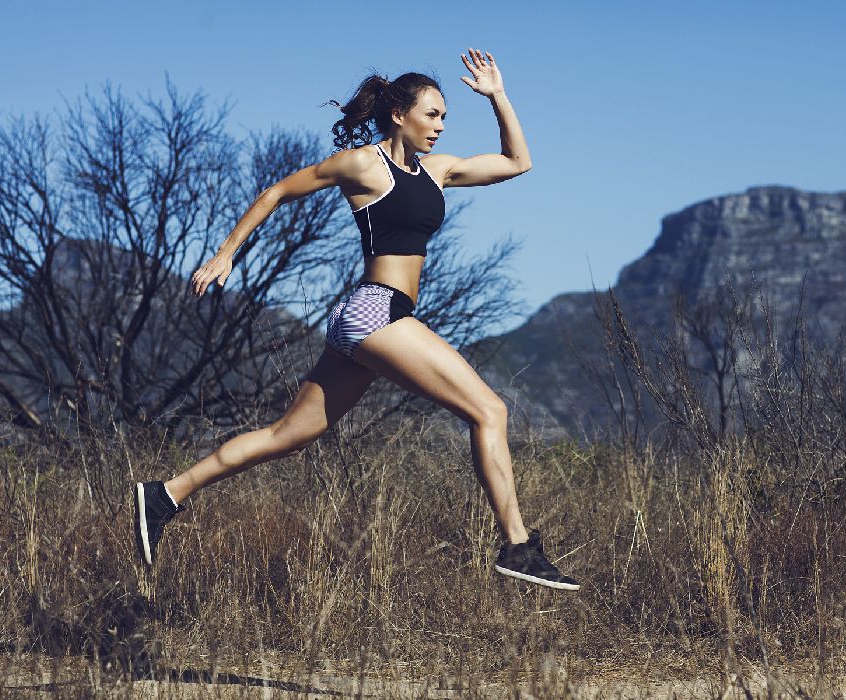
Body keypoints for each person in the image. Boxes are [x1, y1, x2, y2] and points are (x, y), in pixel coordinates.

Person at [132, 48, 579, 592]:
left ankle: (165, 495)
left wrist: (498, 96)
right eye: (432, 114)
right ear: (399, 115)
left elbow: (517, 162)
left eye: (444, 116)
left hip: (376, 316)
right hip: (376, 310)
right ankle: (517, 546)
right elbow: (278, 191)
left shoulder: (438, 170)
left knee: (286, 435)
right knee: (490, 410)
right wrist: (226, 254)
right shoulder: (365, 164)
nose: (440, 125)